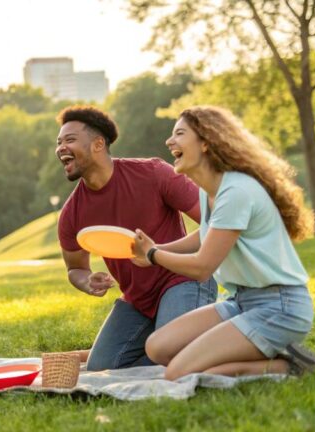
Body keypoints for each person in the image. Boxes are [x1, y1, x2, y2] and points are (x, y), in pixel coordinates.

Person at [132, 105, 315, 379]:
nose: (169, 141)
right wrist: (158, 249)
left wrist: (153, 254)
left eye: (179, 133)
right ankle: (259, 349)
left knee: (176, 373)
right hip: (240, 301)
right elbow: (206, 236)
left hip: (280, 307)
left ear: (205, 142)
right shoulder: (210, 190)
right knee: (157, 347)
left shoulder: (236, 190)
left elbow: (202, 267)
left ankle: (289, 365)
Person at [55, 105, 217, 371]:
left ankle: (221, 333)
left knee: (172, 356)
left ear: (98, 144)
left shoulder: (152, 173)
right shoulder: (72, 213)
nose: (61, 147)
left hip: (182, 279)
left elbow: (215, 221)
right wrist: (87, 281)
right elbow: (76, 268)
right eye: (59, 142)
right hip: (137, 299)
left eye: (70, 140)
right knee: (101, 367)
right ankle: (174, 335)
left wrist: (156, 252)